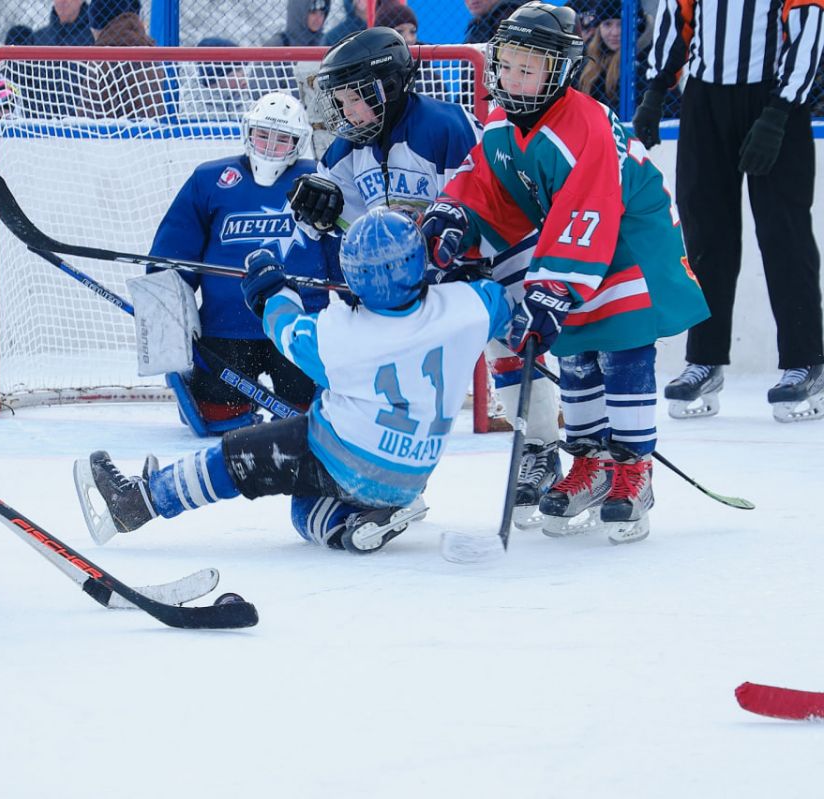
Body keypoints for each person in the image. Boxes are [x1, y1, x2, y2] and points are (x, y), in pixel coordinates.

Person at [421, 2, 709, 544]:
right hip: (579, 240)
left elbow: (588, 208)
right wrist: (457, 213)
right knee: (575, 345)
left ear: (558, 71)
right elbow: (485, 183)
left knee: (621, 343)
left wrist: (553, 286)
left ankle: (631, 468)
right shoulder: (503, 121)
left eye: (528, 68)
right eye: (506, 63)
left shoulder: (586, 125)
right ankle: (591, 461)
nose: (512, 77)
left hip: (630, 235)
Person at [75, 208, 512, 554]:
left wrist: (270, 289)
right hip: (410, 475)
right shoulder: (468, 308)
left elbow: (283, 327)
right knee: (305, 510)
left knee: (231, 459)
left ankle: (139, 502)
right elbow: (498, 302)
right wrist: (455, 276)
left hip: (336, 456)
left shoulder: (340, 336)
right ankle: (353, 526)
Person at [288, 26, 564, 529]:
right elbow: (349, 226)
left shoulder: (442, 126)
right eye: (343, 102)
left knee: (513, 348)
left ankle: (543, 450)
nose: (348, 113)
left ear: (388, 88)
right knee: (407, 363)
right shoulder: (348, 150)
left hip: (495, 256)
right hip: (428, 272)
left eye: (357, 100)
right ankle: (395, 479)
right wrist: (316, 210)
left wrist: (465, 259)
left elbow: (481, 193)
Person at [634, 0, 824, 423]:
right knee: (705, 237)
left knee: (785, 235)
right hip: (705, 100)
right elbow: (675, 20)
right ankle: (704, 359)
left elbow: (809, 30)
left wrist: (779, 112)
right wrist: (655, 90)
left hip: (773, 100)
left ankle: (805, 360)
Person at [148, 92, 333, 436]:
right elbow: (172, 252)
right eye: (263, 135)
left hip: (301, 331)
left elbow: (343, 254)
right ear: (247, 132)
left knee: (310, 424)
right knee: (217, 420)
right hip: (224, 330)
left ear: (299, 143)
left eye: (282, 139)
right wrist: (167, 310)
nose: (270, 146)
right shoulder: (210, 179)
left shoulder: (321, 181)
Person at [83, 0, 163, 119]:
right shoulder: (150, 55)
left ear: (98, 26)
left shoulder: (102, 63)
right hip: (154, 133)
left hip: (116, 135)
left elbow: (91, 118)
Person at [576, 1, 622, 109]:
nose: (614, 32)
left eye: (621, 24)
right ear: (599, 28)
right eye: (607, 24)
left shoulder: (642, 62)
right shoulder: (587, 61)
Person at [266, 0, 332, 47]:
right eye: (313, 12)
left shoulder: (327, 43)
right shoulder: (278, 44)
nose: (318, 18)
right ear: (298, 13)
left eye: (322, 13)